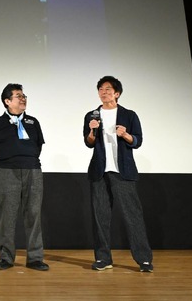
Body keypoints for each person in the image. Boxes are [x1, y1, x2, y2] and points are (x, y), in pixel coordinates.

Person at [84, 76, 153, 272]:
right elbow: (88, 142)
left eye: (107, 89)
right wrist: (91, 131)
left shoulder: (129, 115)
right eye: (100, 89)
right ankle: (103, 259)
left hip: (123, 171)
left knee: (133, 216)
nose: (103, 92)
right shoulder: (91, 115)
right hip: (99, 172)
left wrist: (126, 135)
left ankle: (144, 259)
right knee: (100, 217)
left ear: (117, 93)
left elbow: (137, 141)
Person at [0, 83, 49, 272]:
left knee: (33, 215)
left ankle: (35, 258)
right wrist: (8, 161)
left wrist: (27, 160)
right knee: (7, 216)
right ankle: (5, 258)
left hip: (33, 171)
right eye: (18, 96)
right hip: (7, 172)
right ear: (7, 101)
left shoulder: (33, 122)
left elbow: (38, 146)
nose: (23, 99)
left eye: (24, 96)